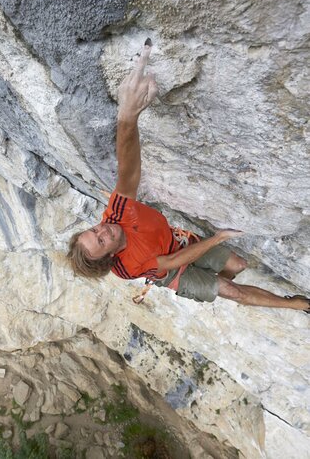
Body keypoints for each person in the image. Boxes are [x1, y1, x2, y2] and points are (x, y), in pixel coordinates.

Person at [68, 41, 309, 313]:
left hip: (178, 244)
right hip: (172, 273)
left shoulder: (117, 215)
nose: (103, 229)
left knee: (238, 266)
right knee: (230, 290)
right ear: (110, 255)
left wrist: (127, 116)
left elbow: (129, 169)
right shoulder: (129, 264)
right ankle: (299, 305)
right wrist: (216, 238)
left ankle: (212, 279)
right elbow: (173, 262)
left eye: (93, 230)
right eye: (101, 240)